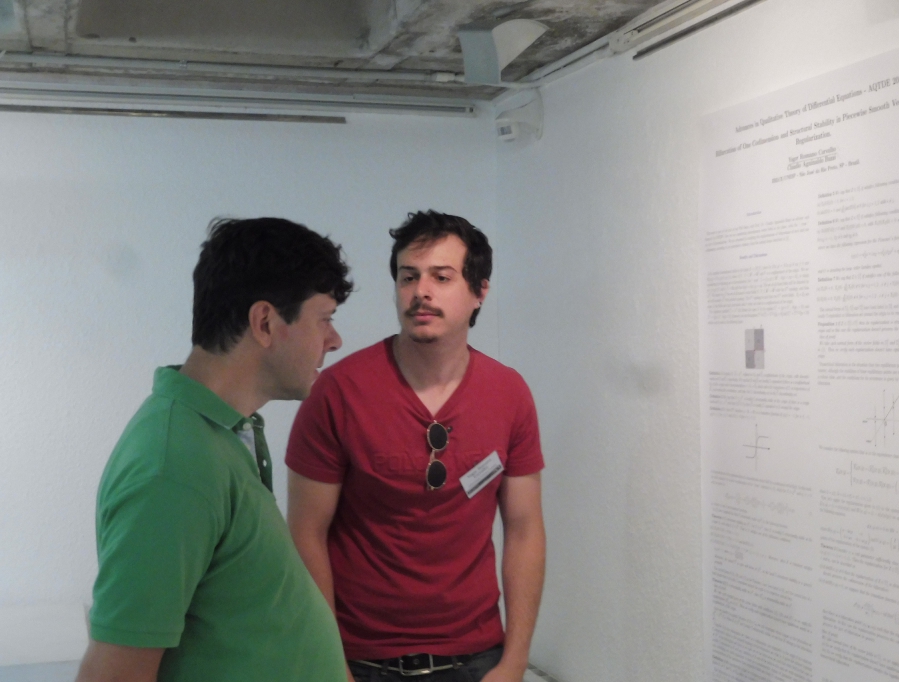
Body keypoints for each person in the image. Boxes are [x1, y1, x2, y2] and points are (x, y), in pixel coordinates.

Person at [76, 217, 354, 682]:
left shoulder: (219, 435)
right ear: (265, 322)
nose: (335, 339)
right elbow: (115, 673)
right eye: (324, 318)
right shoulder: (173, 467)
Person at [287, 210, 546, 682]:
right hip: (360, 661)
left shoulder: (509, 394)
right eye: (409, 277)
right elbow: (306, 532)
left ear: (479, 291)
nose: (420, 291)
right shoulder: (338, 392)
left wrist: (514, 662)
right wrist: (330, 662)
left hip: (477, 659)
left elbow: (525, 529)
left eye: (441, 277)